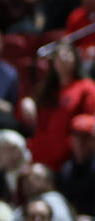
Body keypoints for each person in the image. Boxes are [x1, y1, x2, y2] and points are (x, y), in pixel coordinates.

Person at [21, 40, 95, 170]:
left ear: (75, 59)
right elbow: (25, 115)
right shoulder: (47, 88)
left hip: (68, 159)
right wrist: (27, 102)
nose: (63, 58)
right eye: (59, 55)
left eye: (67, 54)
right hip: (40, 154)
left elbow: (90, 120)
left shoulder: (86, 87)